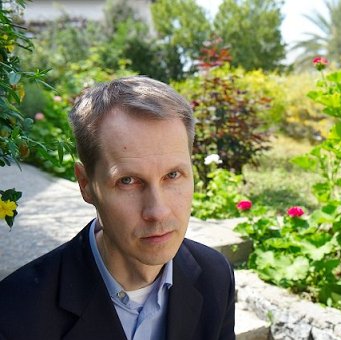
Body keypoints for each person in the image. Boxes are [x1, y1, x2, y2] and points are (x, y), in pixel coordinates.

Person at [0, 76, 236, 340]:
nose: (158, 211)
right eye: (127, 181)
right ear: (86, 184)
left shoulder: (216, 276)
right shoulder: (15, 313)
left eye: (172, 175)